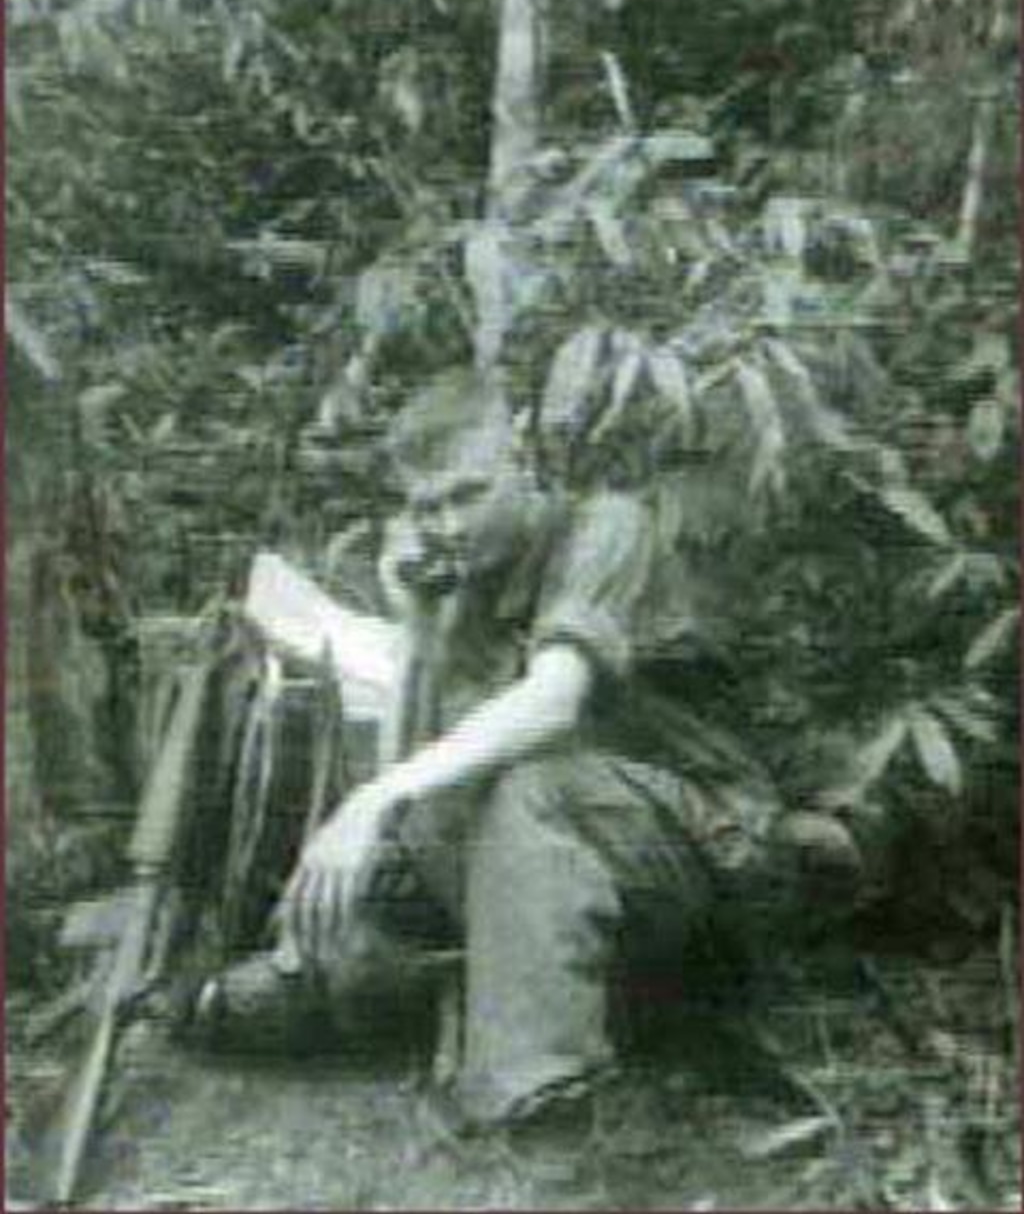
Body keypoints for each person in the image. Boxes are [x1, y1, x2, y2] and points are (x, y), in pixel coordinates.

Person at [188, 366, 862, 1131]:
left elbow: (553, 700)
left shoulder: (606, 528)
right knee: (389, 869)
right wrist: (416, 631)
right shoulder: (465, 584)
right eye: (426, 507)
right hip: (566, 873)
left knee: (524, 790)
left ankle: (537, 1090)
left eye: (468, 494)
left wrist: (371, 802)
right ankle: (409, 988)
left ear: (523, 463)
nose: (447, 525)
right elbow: (422, 785)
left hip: (711, 855)